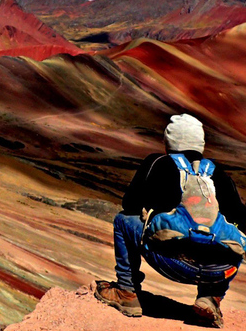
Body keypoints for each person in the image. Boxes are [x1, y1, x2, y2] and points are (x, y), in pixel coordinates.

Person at [96, 114, 246, 328]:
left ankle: (126, 292)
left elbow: (129, 204)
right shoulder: (219, 175)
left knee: (122, 220)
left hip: (173, 262)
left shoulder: (158, 162)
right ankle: (210, 299)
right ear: (200, 143)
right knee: (233, 239)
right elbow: (242, 220)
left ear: (169, 141)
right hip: (218, 270)